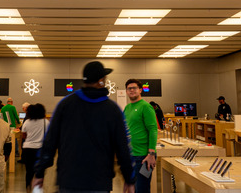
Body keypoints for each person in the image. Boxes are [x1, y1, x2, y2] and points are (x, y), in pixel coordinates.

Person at [32, 61, 135, 193]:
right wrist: (129, 178)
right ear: (101, 81)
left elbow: (49, 141)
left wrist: (39, 172)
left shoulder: (65, 105)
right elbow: (123, 147)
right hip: (99, 182)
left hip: (68, 181)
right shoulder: (113, 110)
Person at [124, 79, 158, 193]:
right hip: (131, 156)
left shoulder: (146, 107)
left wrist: (151, 153)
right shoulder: (127, 108)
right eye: (129, 88)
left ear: (140, 90)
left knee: (142, 189)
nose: (132, 90)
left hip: (144, 158)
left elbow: (153, 130)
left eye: (134, 88)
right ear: (126, 91)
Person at [21, 103, 48, 190]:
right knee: (40, 171)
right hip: (40, 149)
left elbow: (23, 136)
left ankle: (28, 187)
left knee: (29, 171)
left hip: (28, 149)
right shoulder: (46, 122)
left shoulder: (27, 122)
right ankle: (38, 189)